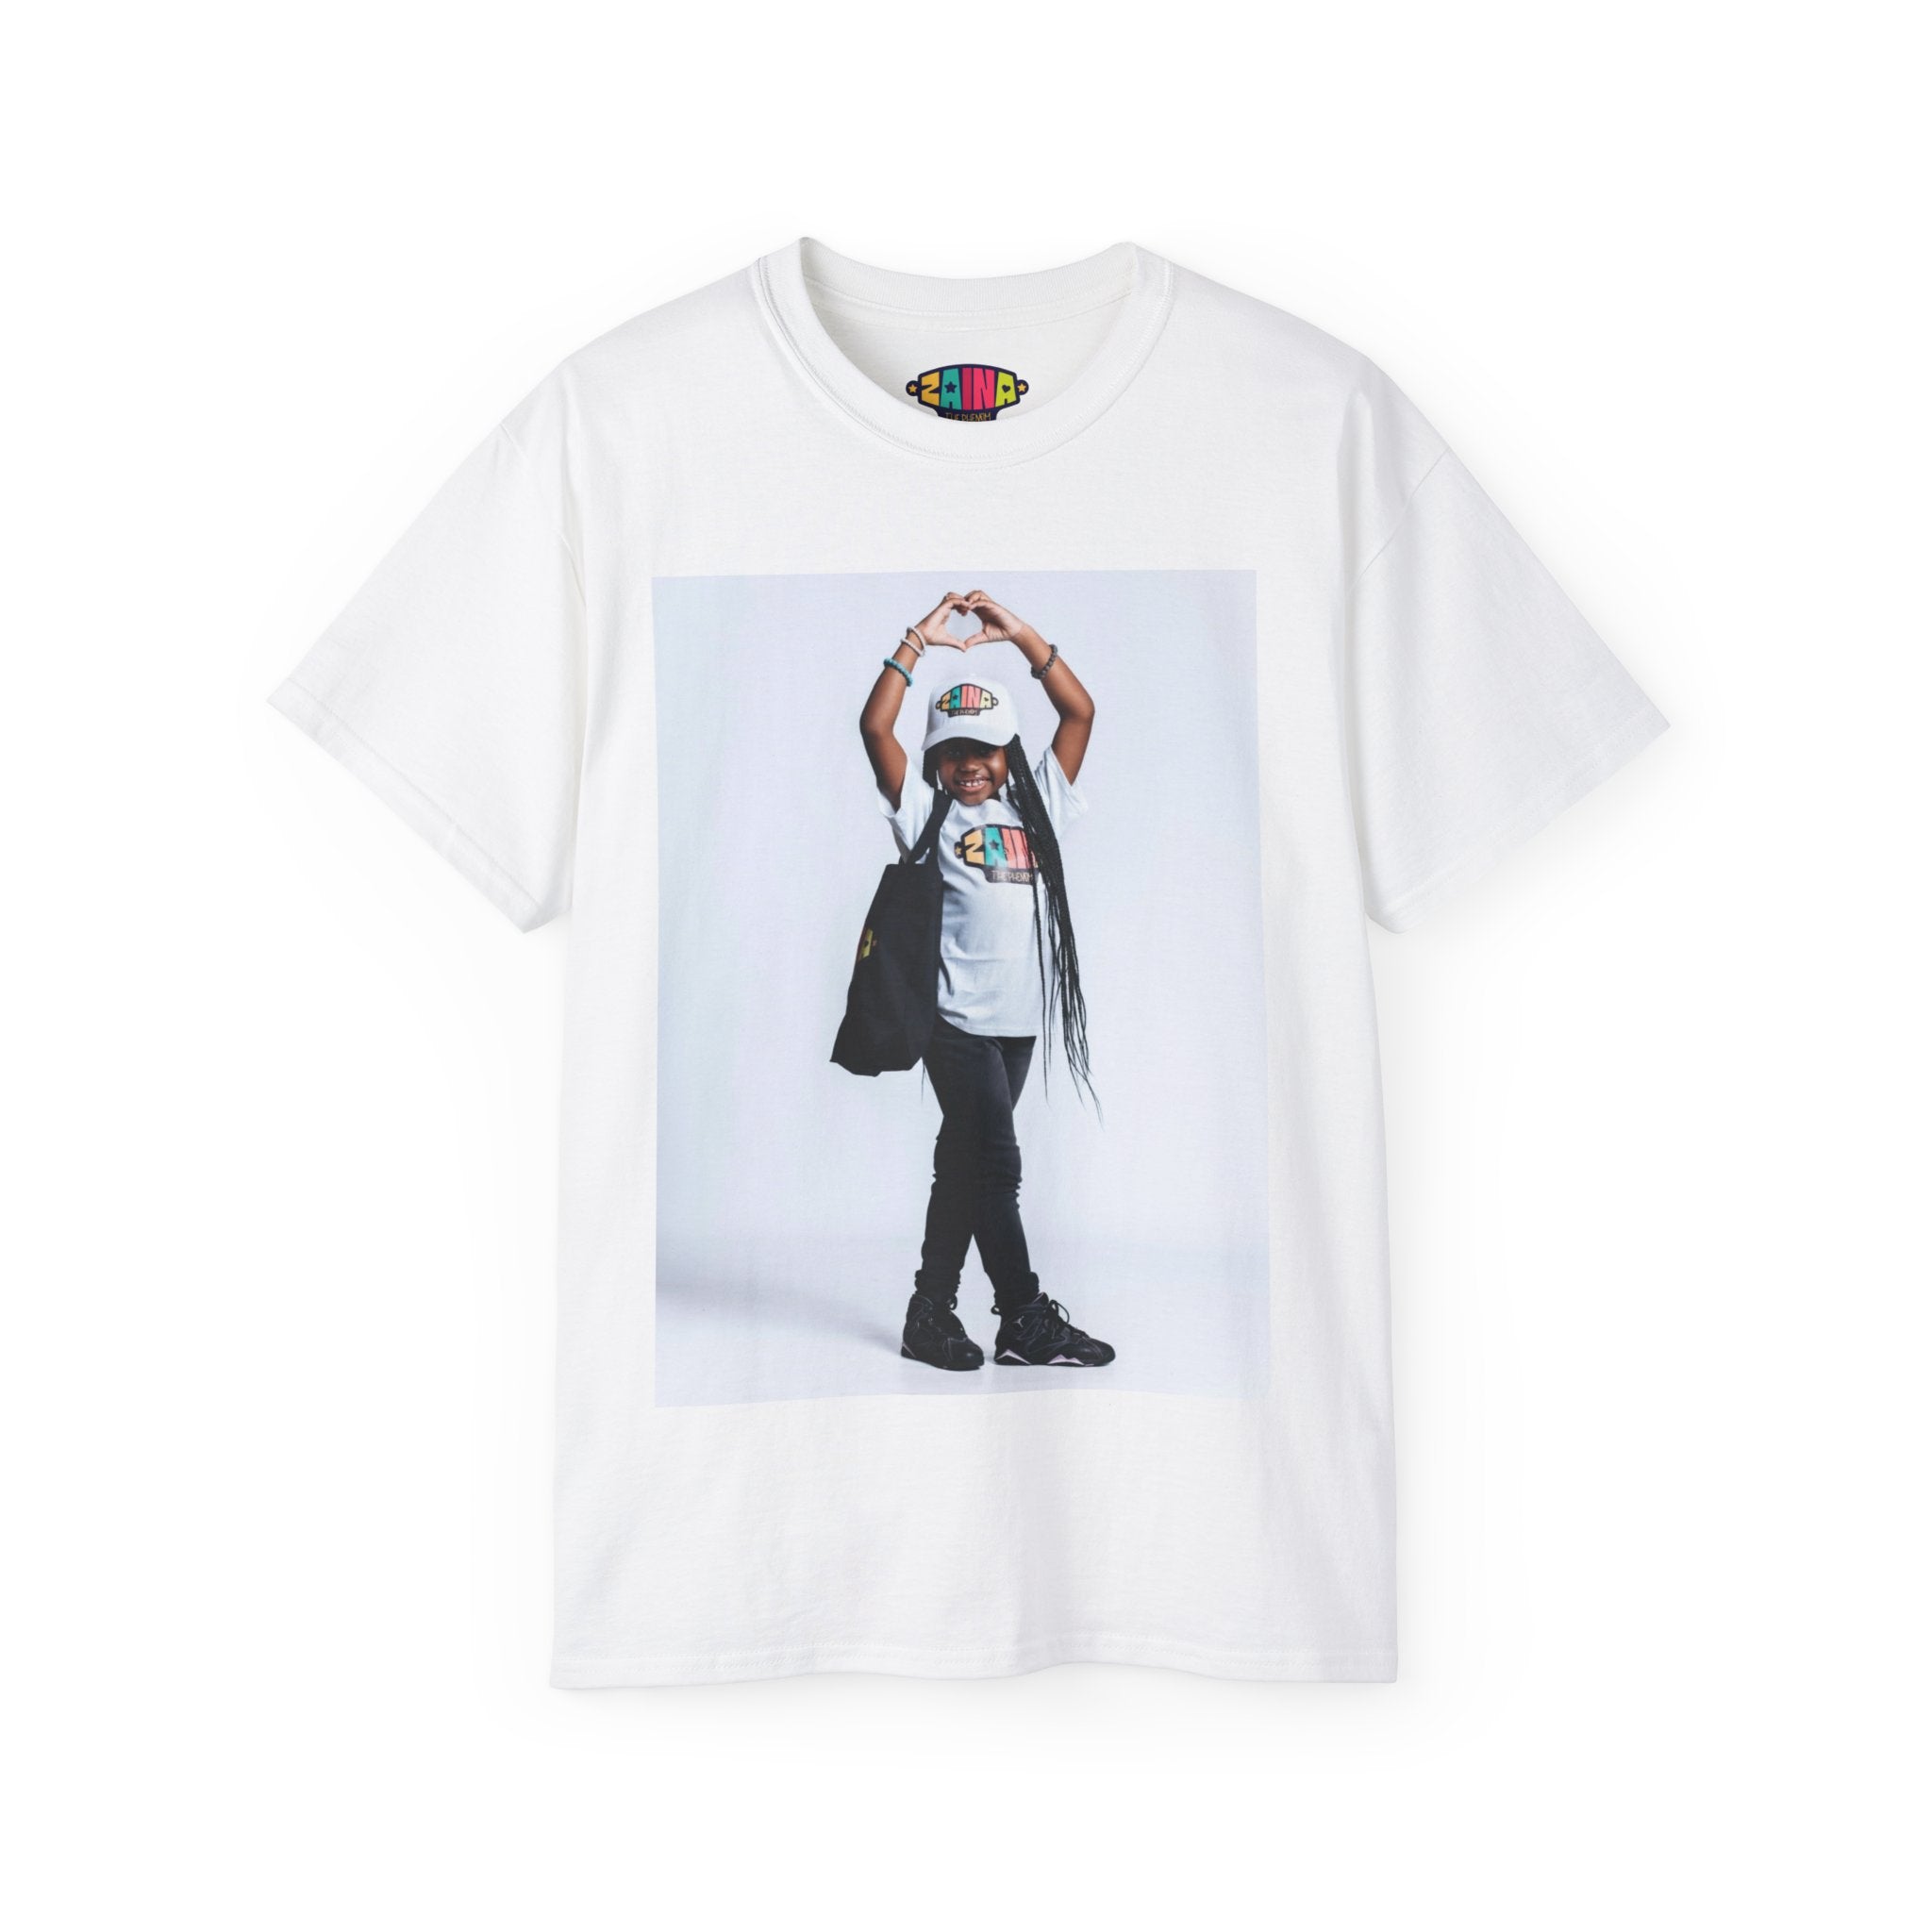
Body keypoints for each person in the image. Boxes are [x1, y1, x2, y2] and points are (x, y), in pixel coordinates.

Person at [858, 591, 1115, 1373]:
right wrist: (917, 641)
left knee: (964, 1168)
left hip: (1017, 1027)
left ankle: (929, 1312)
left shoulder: (1040, 810)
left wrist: (1021, 636)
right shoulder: (926, 817)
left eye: (985, 749)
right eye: (953, 752)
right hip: (954, 1023)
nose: (969, 764)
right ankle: (1024, 1315)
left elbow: (1079, 712)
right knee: (997, 1167)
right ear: (936, 762)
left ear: (1008, 754)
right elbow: (875, 728)